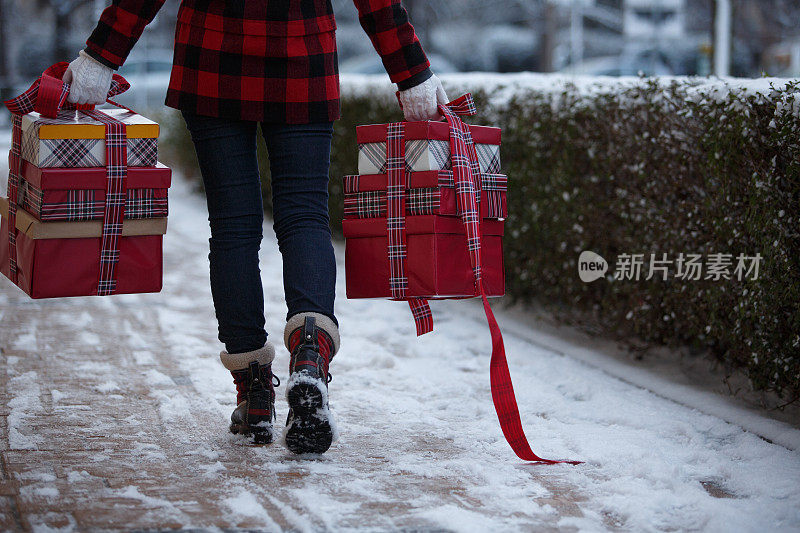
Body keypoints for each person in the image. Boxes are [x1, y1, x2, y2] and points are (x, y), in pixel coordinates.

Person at [64, 0, 448, 454]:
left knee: (233, 227)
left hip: (212, 57)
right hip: (304, 58)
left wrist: (101, 55)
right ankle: (310, 354)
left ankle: (256, 396)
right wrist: (412, 73)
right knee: (305, 216)